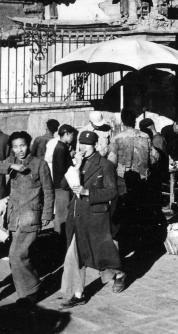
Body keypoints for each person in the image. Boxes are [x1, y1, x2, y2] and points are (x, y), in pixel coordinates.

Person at [0, 132, 53, 308]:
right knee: (19, 256)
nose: (19, 150)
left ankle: (31, 292)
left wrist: (46, 214)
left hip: (31, 216)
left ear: (29, 145)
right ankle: (29, 288)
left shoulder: (40, 164)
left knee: (16, 255)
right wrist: (12, 167)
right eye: (15, 147)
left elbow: (48, 190)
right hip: (13, 217)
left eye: (22, 145)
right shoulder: (12, 162)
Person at [59, 130, 125, 308]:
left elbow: (112, 191)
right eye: (80, 144)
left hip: (95, 216)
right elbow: (65, 185)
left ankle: (117, 274)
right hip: (76, 214)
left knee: (99, 254)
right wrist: (76, 166)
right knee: (77, 253)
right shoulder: (78, 162)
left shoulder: (105, 165)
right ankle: (78, 294)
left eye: (86, 145)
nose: (82, 148)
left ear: (94, 145)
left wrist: (88, 192)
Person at [107, 107, 157, 232]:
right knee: (139, 210)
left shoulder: (116, 138)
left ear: (123, 121)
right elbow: (154, 158)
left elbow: (111, 161)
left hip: (122, 180)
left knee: (123, 210)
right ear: (135, 120)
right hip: (142, 179)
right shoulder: (145, 136)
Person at [52, 125, 78, 236]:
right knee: (62, 214)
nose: (73, 137)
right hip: (62, 186)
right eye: (72, 135)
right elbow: (62, 169)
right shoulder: (61, 148)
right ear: (66, 133)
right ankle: (61, 236)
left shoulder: (62, 147)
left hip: (61, 185)